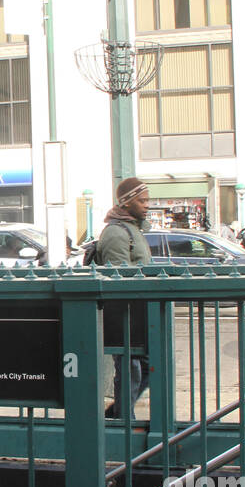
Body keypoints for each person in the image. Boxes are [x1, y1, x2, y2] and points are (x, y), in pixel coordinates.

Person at [96, 177, 152, 419]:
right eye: (142, 200)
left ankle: (119, 412)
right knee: (131, 368)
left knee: (145, 366)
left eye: (148, 200)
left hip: (138, 312)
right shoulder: (117, 233)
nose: (147, 205)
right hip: (126, 313)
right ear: (126, 202)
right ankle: (123, 419)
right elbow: (118, 276)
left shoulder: (133, 229)